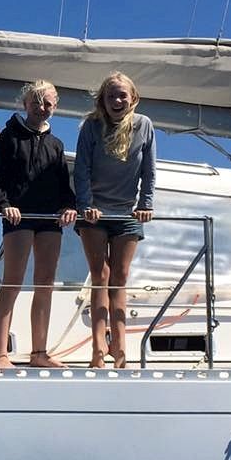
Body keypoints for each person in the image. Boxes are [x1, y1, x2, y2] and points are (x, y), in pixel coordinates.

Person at [0, 81, 77, 369]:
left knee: (45, 285)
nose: (41, 108)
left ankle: (40, 352)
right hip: (19, 217)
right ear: (25, 104)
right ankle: (0, 353)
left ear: (55, 107)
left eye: (48, 103)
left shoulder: (56, 145)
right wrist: (4, 206)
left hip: (50, 220)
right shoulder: (9, 138)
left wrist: (69, 206)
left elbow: (64, 185)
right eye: (36, 102)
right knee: (12, 282)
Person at [74, 72, 156, 369]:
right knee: (101, 277)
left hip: (126, 212)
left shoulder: (144, 126)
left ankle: (120, 350)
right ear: (102, 101)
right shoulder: (91, 127)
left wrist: (145, 204)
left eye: (122, 95)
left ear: (132, 98)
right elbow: (81, 168)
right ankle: (98, 349)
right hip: (94, 211)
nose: (117, 101)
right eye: (111, 96)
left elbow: (149, 169)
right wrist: (85, 205)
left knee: (120, 277)